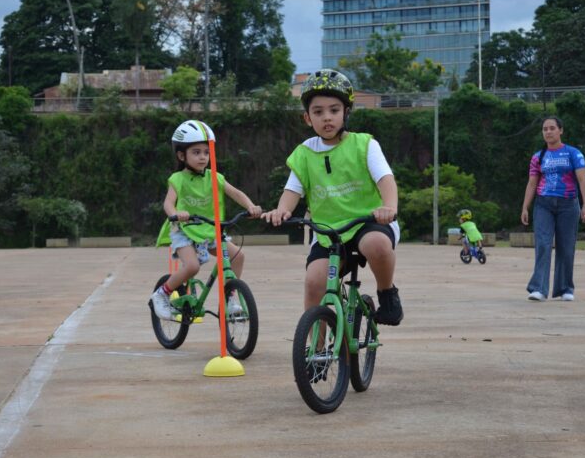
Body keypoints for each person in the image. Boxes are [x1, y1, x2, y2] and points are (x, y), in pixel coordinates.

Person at [262, 69, 403, 326]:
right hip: (328, 232)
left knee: (377, 246)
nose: (327, 118)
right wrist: (282, 210)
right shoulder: (304, 153)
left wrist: (389, 207)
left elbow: (385, 179)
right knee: (314, 282)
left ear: (346, 112)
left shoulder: (364, 144)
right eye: (318, 112)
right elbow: (293, 190)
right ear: (307, 118)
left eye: (334, 110)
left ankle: (387, 293)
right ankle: (316, 355)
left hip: (368, 222)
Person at [151, 120, 262, 320]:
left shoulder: (215, 177)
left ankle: (230, 300)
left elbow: (236, 193)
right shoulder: (178, 179)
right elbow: (168, 204)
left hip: (210, 229)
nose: (203, 157)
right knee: (192, 267)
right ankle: (161, 294)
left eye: (206, 152)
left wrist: (250, 206)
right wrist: (176, 213)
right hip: (184, 230)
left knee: (238, 256)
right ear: (181, 155)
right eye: (196, 152)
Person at [521, 116, 585, 302]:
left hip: (568, 204)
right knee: (543, 244)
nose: (548, 132)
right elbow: (531, 183)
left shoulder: (573, 154)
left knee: (566, 247)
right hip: (543, 204)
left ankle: (565, 288)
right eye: (545, 129)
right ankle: (538, 289)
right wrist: (525, 207)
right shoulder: (538, 157)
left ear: (561, 130)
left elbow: (583, 180)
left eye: (552, 128)